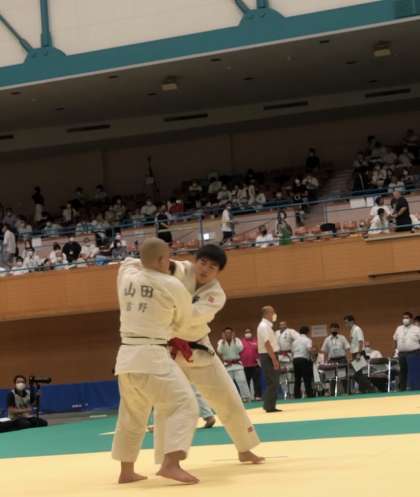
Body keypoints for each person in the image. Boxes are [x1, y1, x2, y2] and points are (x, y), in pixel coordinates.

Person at [111, 238, 200, 485]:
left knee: (132, 414)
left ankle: (126, 470)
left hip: (126, 357)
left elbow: (128, 262)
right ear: (162, 260)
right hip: (151, 355)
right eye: (168, 257)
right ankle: (171, 464)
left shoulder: (126, 276)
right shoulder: (171, 284)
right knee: (185, 404)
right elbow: (184, 321)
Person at [169, 244, 263, 464]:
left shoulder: (216, 295)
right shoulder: (180, 269)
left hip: (198, 348)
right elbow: (161, 265)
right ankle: (170, 461)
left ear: (218, 272)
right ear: (195, 260)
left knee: (229, 399)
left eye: (212, 267)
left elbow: (191, 317)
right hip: (167, 350)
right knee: (171, 406)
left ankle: (244, 448)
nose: (205, 269)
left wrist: (168, 309)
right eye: (202, 262)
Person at [217, 327, 251, 402]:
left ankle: (246, 397)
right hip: (227, 366)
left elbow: (240, 349)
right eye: (226, 333)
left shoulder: (237, 340)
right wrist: (223, 342)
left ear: (232, 333)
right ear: (224, 334)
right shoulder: (221, 342)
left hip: (237, 365)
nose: (228, 334)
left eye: (229, 333)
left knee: (242, 381)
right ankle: (231, 399)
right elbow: (219, 351)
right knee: (229, 384)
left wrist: (235, 341)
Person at [257, 306, 281, 413]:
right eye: (272, 312)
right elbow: (267, 344)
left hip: (270, 354)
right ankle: (268, 406)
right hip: (268, 355)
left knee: (274, 381)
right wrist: (274, 359)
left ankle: (270, 405)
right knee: (272, 382)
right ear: (267, 314)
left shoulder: (267, 326)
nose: (274, 314)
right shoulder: (263, 326)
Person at [344, 315, 375, 393]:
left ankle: (371, 388)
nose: (346, 324)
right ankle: (364, 390)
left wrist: (359, 354)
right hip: (355, 353)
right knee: (358, 374)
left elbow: (361, 342)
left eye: (347, 322)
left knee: (358, 375)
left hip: (359, 353)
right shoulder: (352, 330)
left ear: (352, 321)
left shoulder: (357, 329)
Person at [393, 312, 420, 391]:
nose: (405, 319)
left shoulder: (417, 329)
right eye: (403, 318)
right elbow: (395, 339)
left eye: (407, 318)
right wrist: (396, 350)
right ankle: (402, 389)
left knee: (413, 371)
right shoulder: (399, 328)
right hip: (402, 353)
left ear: (411, 319)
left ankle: (415, 389)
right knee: (403, 371)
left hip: (414, 353)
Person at [321, 323, 350, 395]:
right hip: (332, 360)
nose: (334, 330)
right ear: (330, 329)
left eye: (335, 328)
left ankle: (347, 392)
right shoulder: (327, 339)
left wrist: (348, 359)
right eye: (332, 328)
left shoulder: (342, 338)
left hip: (342, 359)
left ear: (338, 329)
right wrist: (325, 362)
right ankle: (332, 393)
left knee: (343, 376)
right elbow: (325, 351)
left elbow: (347, 348)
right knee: (332, 377)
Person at [292, 326, 315, 399]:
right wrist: (313, 357)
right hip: (303, 360)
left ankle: (296, 395)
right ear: (307, 332)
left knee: (297, 378)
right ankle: (309, 394)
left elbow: (292, 351)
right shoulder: (307, 340)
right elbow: (309, 349)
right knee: (306, 378)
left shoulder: (295, 341)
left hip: (295, 359)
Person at [240, 329, 262, 400]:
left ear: (251, 333)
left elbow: (260, 351)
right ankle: (247, 396)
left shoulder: (256, 341)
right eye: (246, 332)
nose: (248, 333)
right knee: (246, 382)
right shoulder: (241, 342)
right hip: (245, 366)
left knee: (257, 381)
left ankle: (258, 396)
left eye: (249, 332)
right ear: (244, 334)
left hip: (255, 365)